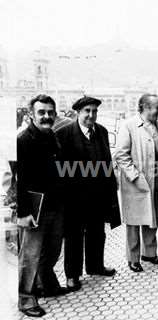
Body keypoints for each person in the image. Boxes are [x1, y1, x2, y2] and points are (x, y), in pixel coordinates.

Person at [56, 96, 121, 292]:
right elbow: (59, 167)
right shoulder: (64, 133)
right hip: (74, 197)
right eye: (87, 111)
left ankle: (95, 266)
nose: (91, 115)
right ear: (78, 112)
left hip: (97, 195)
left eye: (94, 111)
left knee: (97, 233)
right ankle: (72, 275)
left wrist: (111, 185)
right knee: (74, 236)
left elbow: (107, 161)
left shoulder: (101, 131)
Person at [17, 95, 68, 317]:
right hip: (34, 207)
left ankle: (46, 284)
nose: (47, 116)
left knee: (53, 249)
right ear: (31, 115)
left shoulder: (52, 136)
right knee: (30, 255)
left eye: (50, 112)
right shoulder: (23, 140)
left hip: (55, 204)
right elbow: (17, 181)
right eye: (41, 112)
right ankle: (26, 299)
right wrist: (24, 212)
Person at [114, 94, 158, 272]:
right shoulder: (129, 126)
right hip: (135, 183)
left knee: (152, 217)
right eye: (157, 107)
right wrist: (134, 176)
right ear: (145, 107)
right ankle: (133, 258)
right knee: (134, 222)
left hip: (155, 180)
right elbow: (121, 155)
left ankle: (149, 253)